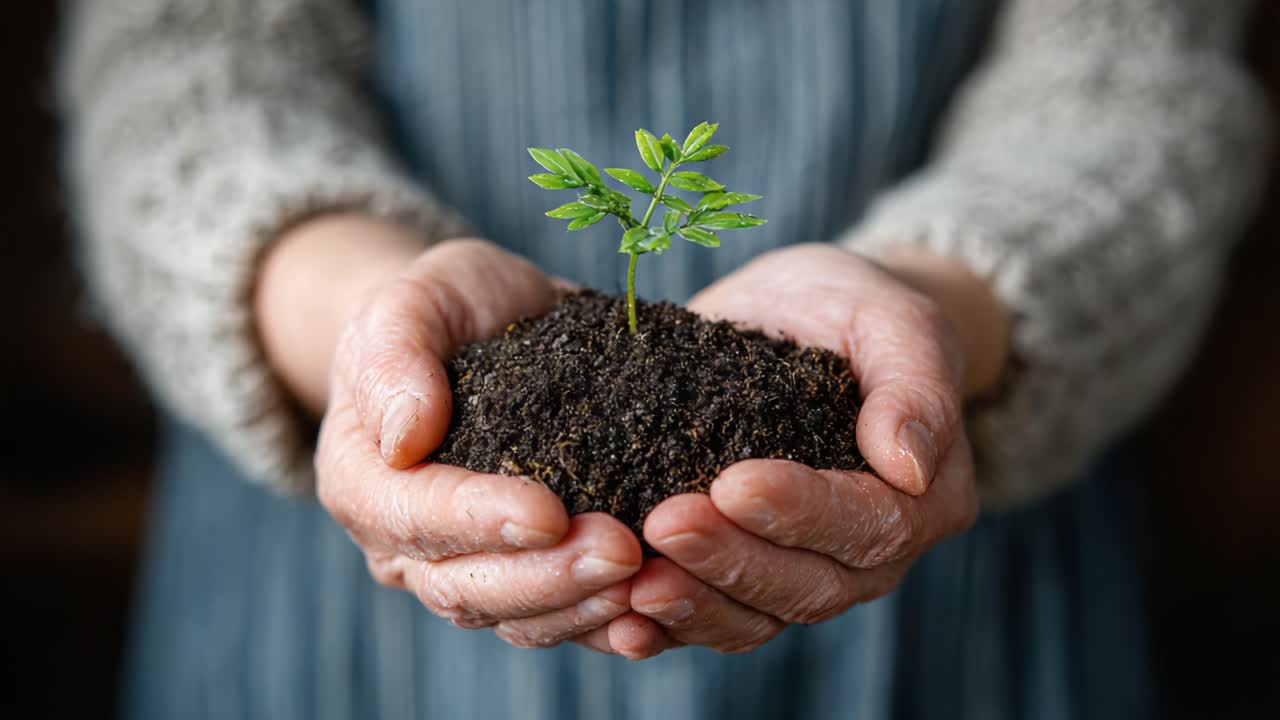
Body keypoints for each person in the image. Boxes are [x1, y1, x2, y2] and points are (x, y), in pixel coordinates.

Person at [59, 0, 1270, 718]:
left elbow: (1134, 88)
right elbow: (178, 66)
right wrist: (361, 311)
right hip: (353, 620)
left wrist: (939, 311)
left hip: (945, 613)